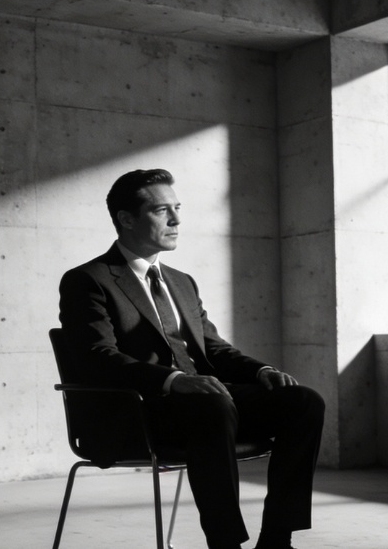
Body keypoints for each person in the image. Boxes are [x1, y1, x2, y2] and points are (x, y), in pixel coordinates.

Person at [58, 168, 325, 549]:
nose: (177, 220)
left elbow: (214, 349)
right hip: (142, 411)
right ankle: (225, 543)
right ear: (126, 219)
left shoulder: (181, 281)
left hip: (207, 404)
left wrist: (262, 370)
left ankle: (277, 540)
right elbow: (96, 357)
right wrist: (173, 381)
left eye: (177, 208)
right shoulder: (89, 279)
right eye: (161, 210)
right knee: (212, 404)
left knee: (303, 403)